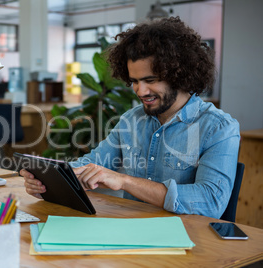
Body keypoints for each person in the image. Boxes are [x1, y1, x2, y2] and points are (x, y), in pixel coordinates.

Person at [20, 17, 240, 219]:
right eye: (134, 81)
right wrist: (50, 181)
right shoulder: (132, 119)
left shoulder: (218, 128)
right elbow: (93, 164)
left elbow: (211, 201)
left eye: (150, 80)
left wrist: (124, 181)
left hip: (190, 244)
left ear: (180, 74)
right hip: (133, 235)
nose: (140, 91)